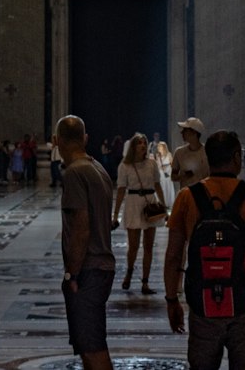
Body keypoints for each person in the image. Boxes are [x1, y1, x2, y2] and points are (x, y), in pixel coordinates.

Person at [163, 128, 245, 370]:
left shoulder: (186, 198)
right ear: (236, 158)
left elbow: (173, 256)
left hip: (203, 304)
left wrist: (172, 299)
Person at [55, 113, 116, 370]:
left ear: (56, 141)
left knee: (93, 351)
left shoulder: (74, 173)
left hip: (88, 271)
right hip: (101, 268)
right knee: (88, 347)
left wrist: (72, 275)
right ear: (85, 139)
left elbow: (81, 227)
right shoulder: (97, 168)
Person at [113, 131, 165, 294]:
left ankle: (145, 282)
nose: (143, 145)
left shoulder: (151, 164)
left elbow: (157, 185)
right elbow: (121, 190)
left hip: (150, 202)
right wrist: (115, 214)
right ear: (133, 147)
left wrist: (164, 206)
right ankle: (128, 273)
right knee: (133, 246)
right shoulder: (125, 166)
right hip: (133, 203)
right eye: (139, 143)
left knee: (149, 246)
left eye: (144, 142)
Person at [172, 118, 209, 192]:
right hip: (186, 195)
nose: (181, 132)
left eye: (185, 130)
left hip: (204, 194)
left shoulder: (208, 151)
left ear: (194, 132)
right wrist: (183, 176)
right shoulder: (179, 152)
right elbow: (173, 176)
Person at [155, 140, 175, 209]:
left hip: (167, 173)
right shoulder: (158, 155)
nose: (159, 148)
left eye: (160, 147)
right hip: (161, 173)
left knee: (167, 187)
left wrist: (166, 166)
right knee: (162, 187)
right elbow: (157, 165)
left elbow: (172, 164)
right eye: (158, 147)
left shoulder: (169, 154)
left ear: (164, 147)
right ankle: (162, 203)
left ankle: (168, 203)